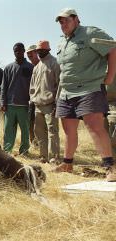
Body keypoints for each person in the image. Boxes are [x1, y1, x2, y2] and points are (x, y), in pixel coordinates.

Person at [53, 8, 116, 182]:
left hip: (89, 88)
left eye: (65, 20)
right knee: (68, 129)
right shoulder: (61, 42)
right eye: (60, 22)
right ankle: (67, 163)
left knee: (95, 126)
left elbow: (112, 49)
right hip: (66, 91)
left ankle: (110, 167)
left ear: (76, 19)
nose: (62, 24)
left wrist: (109, 77)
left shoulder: (90, 32)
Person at [29, 40, 60, 163]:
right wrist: (32, 100)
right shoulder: (36, 67)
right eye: (37, 50)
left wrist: (57, 103)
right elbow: (32, 87)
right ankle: (43, 157)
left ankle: (54, 158)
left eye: (41, 50)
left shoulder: (55, 63)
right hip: (37, 105)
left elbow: (60, 84)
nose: (39, 52)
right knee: (39, 132)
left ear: (48, 50)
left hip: (50, 104)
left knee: (52, 132)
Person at [0, 43, 34, 155]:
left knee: (25, 130)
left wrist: (32, 102)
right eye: (15, 51)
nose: (18, 52)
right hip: (10, 105)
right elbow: (3, 87)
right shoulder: (8, 68)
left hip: (24, 105)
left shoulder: (30, 67)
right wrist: (3, 102)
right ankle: (7, 151)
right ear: (13, 52)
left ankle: (24, 151)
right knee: (8, 130)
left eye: (20, 50)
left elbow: (33, 86)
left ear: (24, 51)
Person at [26, 44, 40, 146]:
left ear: (37, 53)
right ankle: (34, 144)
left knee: (41, 125)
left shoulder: (43, 64)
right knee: (30, 123)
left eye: (32, 52)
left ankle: (42, 145)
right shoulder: (29, 67)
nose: (30, 55)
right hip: (31, 101)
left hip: (43, 100)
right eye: (28, 53)